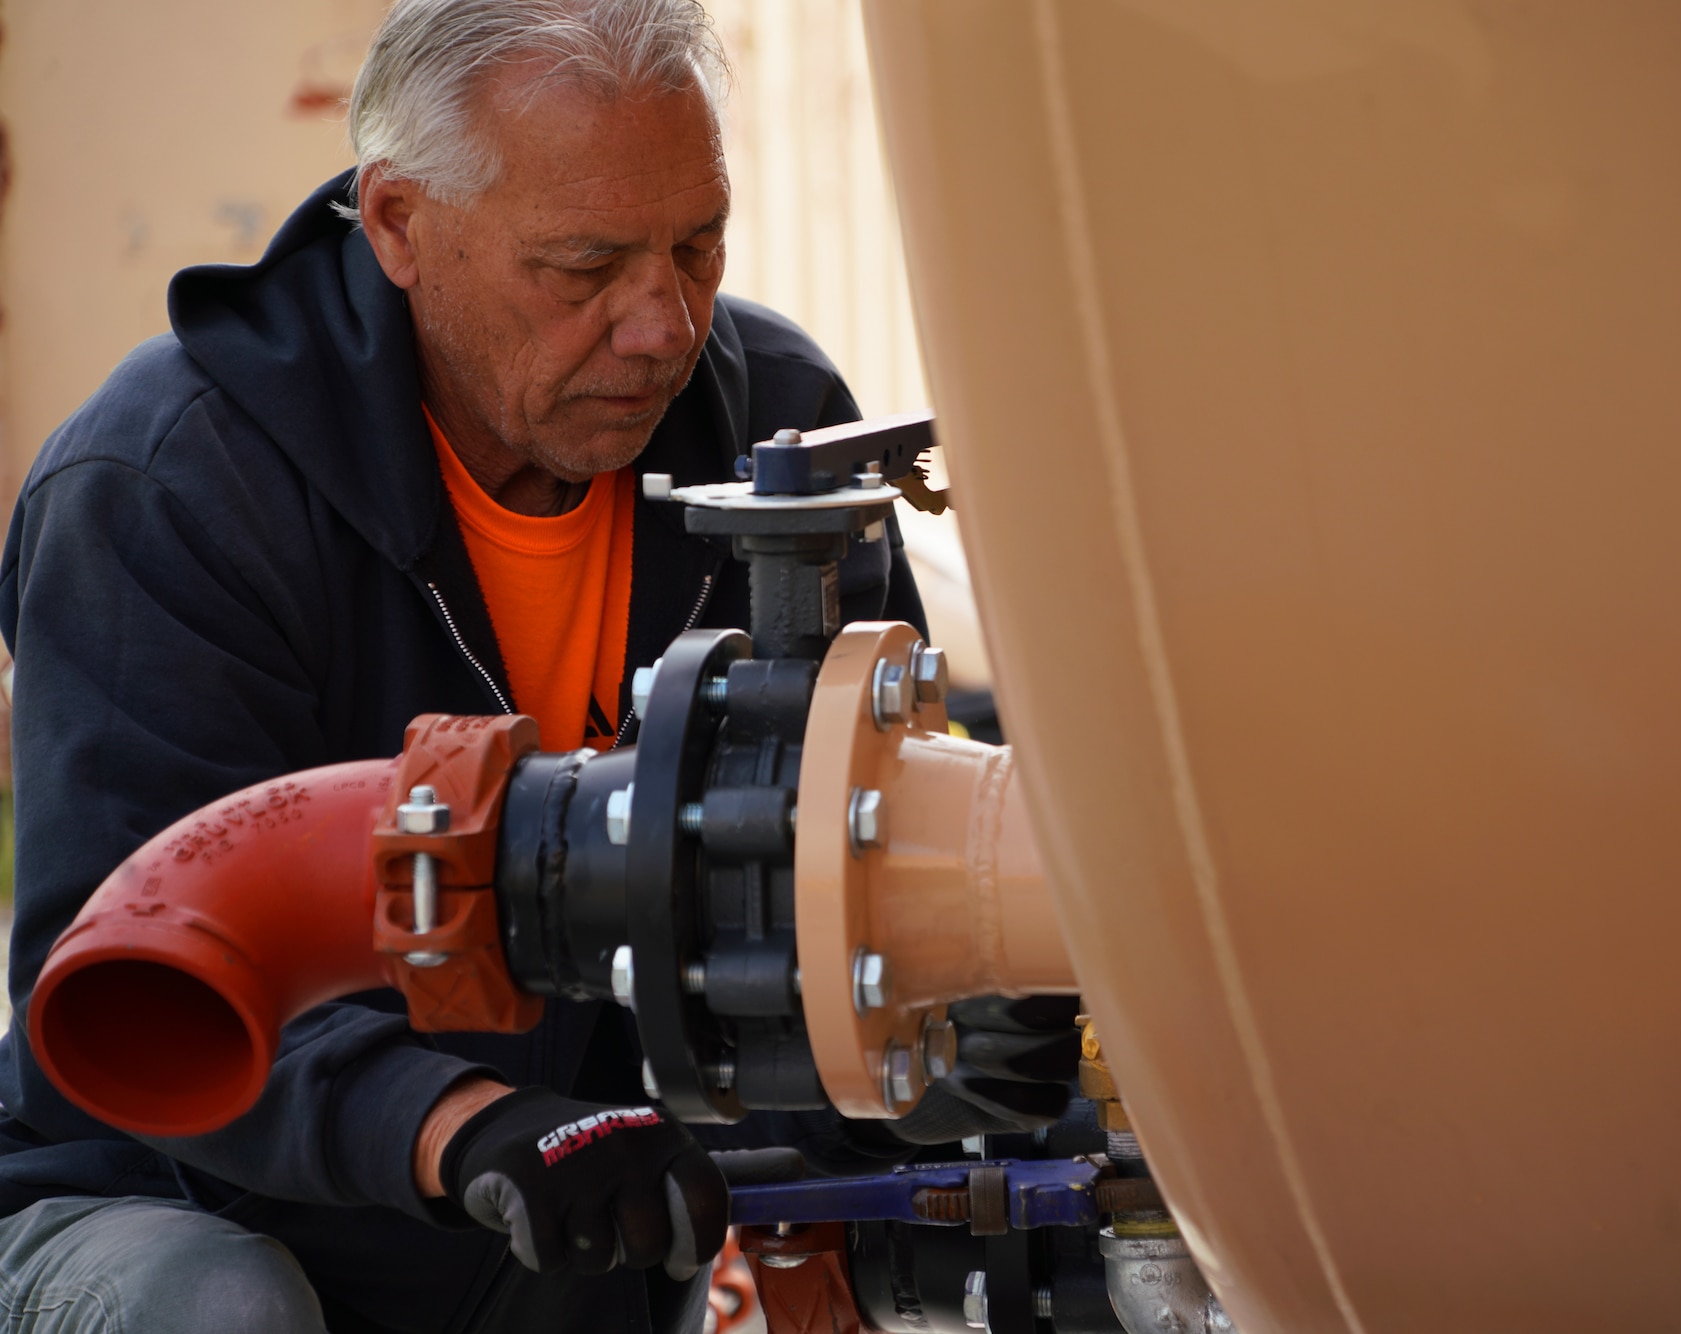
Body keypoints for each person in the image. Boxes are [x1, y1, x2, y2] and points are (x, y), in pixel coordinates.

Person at [0, 2, 1077, 1330]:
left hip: (592, 1212)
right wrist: (463, 1126)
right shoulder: (167, 482)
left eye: (699, 244)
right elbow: (129, 979)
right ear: (397, 224)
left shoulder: (778, 426)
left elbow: (854, 888)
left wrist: (964, 1055)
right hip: (181, 1199)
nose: (661, 325)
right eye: (583, 269)